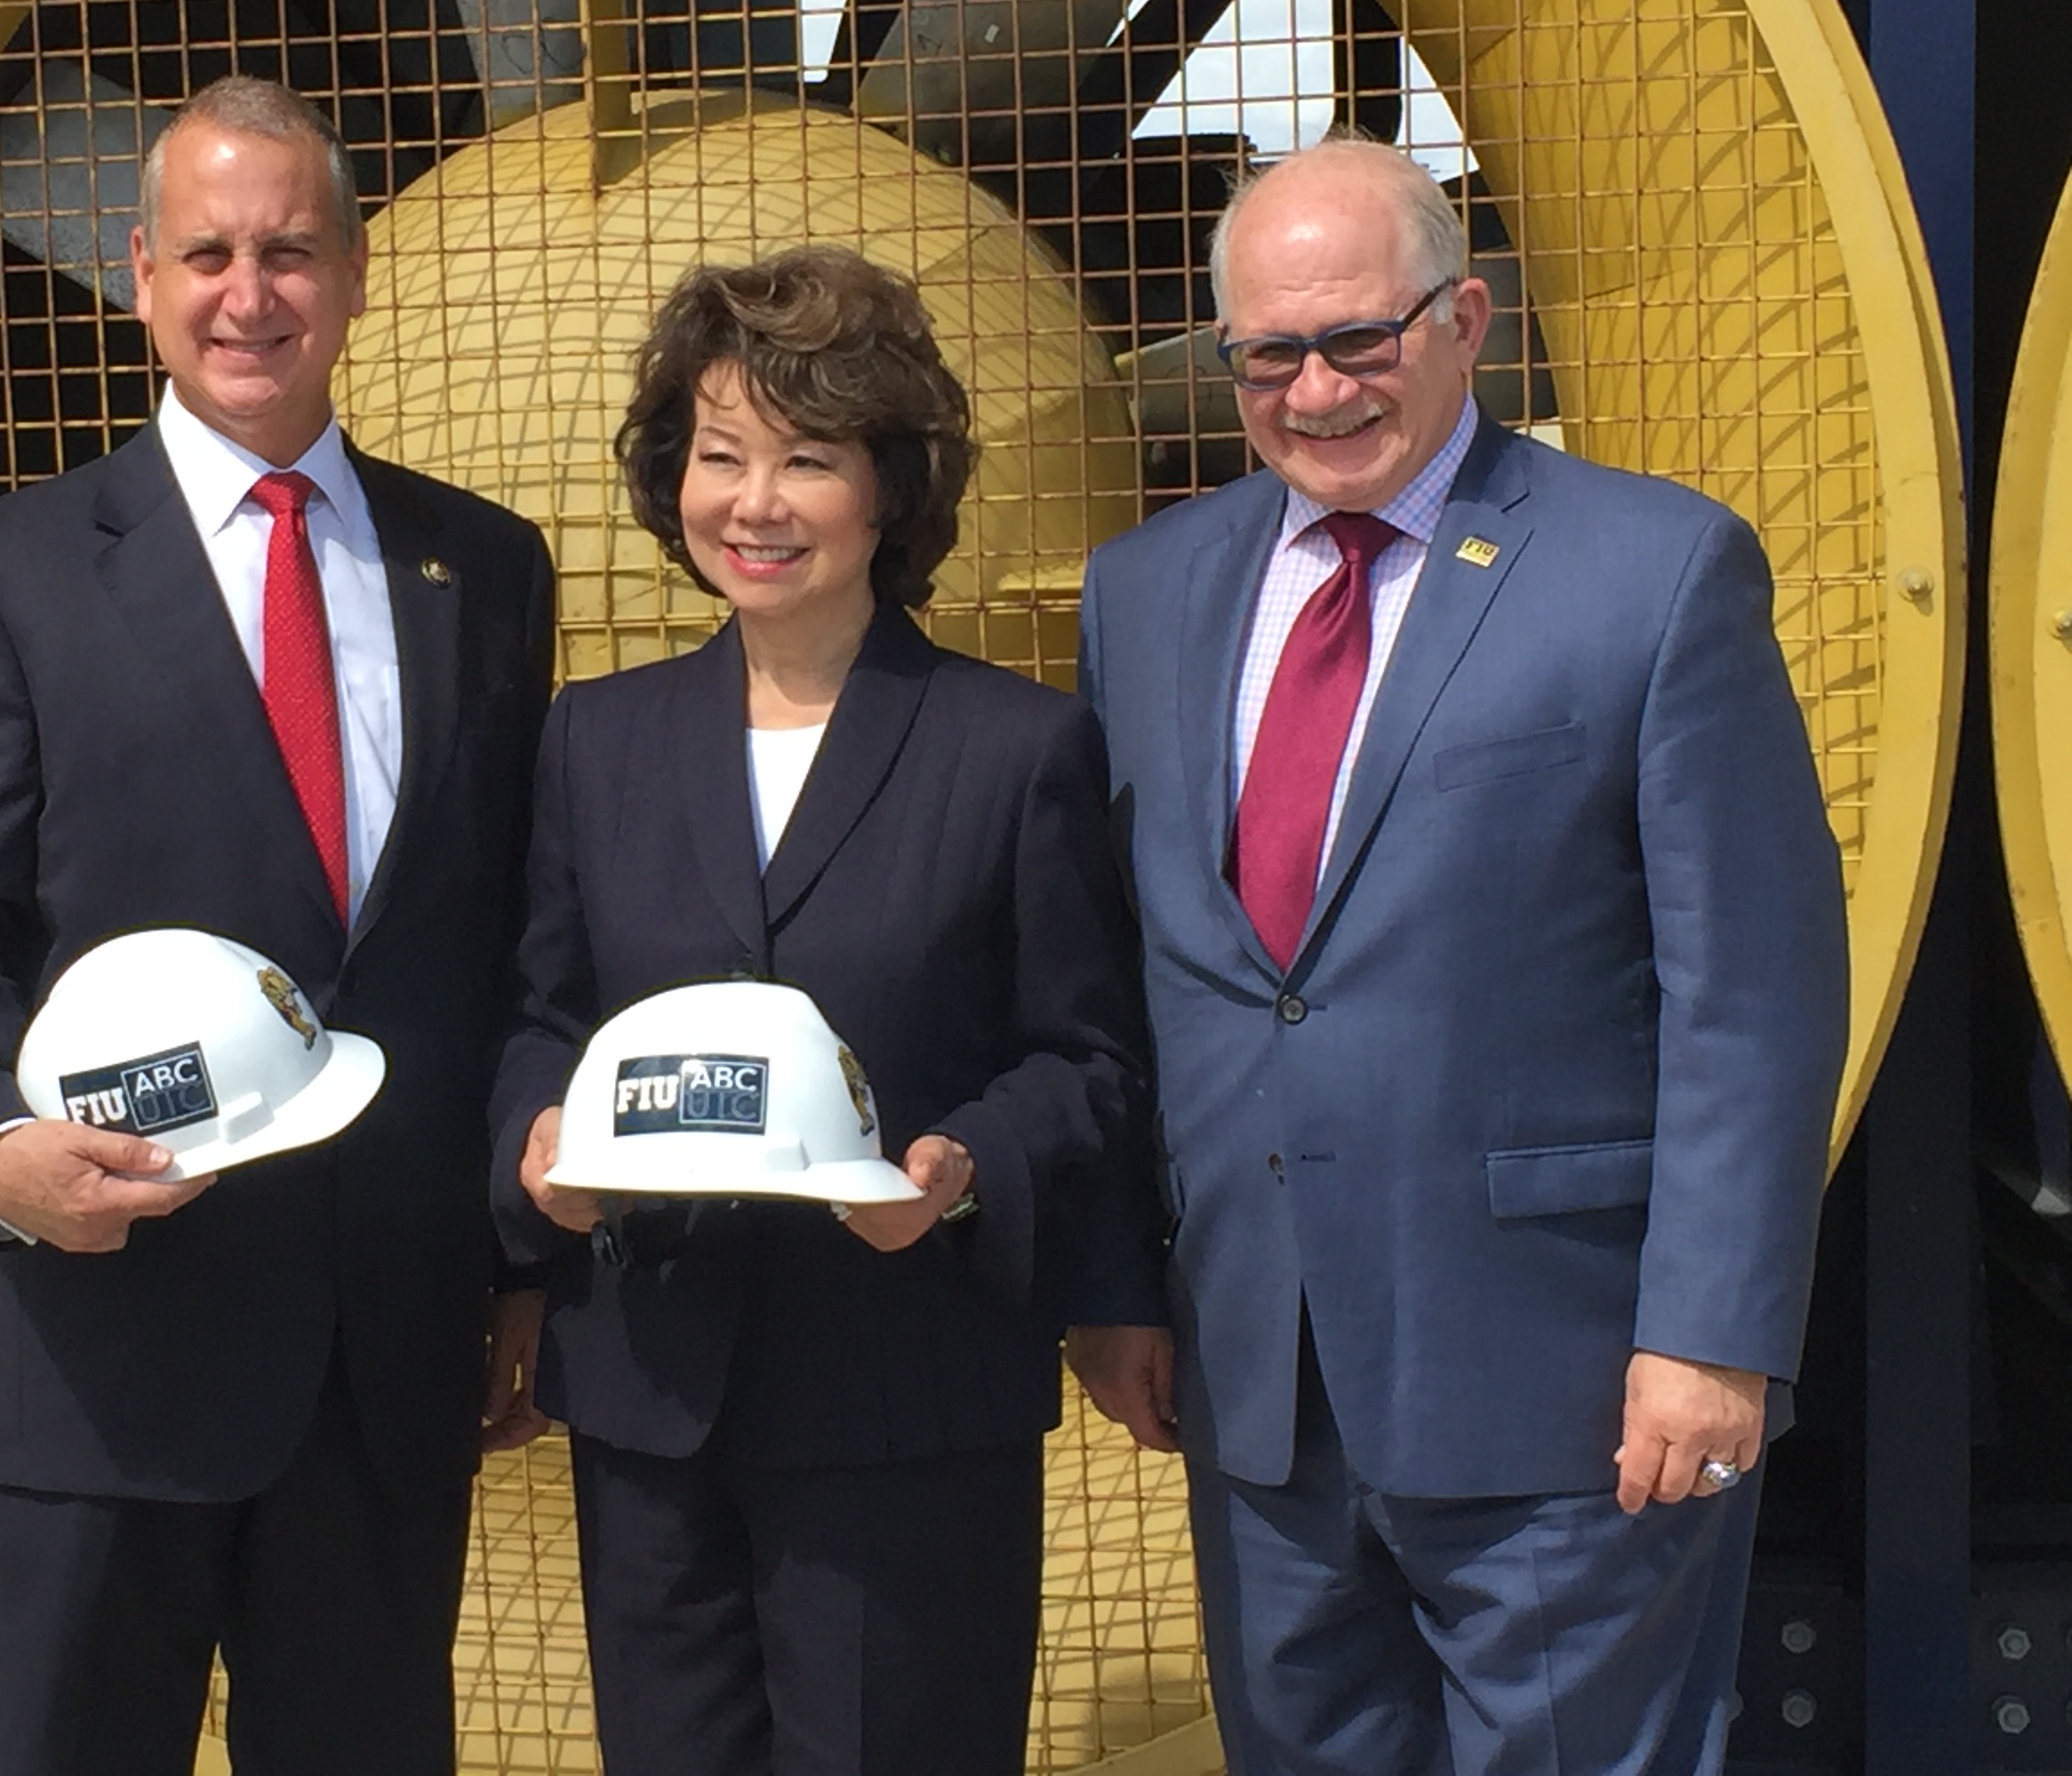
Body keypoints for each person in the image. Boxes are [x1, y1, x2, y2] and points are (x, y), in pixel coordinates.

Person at [1070, 132, 1848, 1774]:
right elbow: (1137, 983)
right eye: (1271, 354)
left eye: (1363, 337)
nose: (1321, 390)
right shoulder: (1143, 594)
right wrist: (1122, 1285)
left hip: (1566, 1391)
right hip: (1260, 1385)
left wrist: (1712, 1337)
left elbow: (1752, 995)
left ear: (1468, 319)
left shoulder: (1655, 569)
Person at [0, 76, 556, 1776]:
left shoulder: (488, 572)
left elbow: (515, 939)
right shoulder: (6, 575)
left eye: (293, 252)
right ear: (144, 273)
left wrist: (524, 1265)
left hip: (389, 1358)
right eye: (213, 254)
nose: (254, 295)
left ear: (358, 274)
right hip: (107, 1347)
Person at [493, 245, 1149, 1776]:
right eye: (721, 456)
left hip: (905, 1398)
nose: (757, 503)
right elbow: (537, 1014)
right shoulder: (594, 742)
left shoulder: (1016, 749)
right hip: (652, 1402)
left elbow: (1094, 1058)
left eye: (809, 458)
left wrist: (963, 1164)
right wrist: (534, 1140)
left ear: (890, 488)